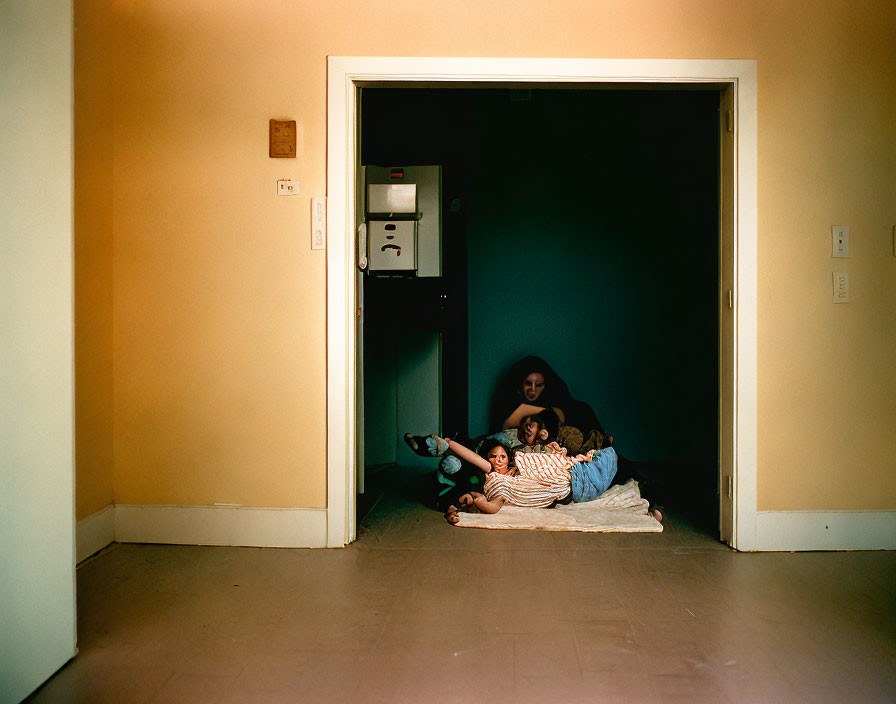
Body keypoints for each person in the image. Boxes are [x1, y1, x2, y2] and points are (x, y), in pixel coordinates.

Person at [438, 436, 632, 524]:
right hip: (575, 484)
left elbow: (544, 464)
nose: (498, 460)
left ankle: (640, 476)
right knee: (611, 460)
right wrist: (449, 444)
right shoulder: (496, 479)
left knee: (614, 464)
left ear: (509, 459)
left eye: (502, 457)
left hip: (573, 470)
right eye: (492, 456)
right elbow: (495, 505)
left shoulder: (519, 465)